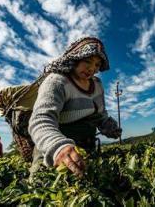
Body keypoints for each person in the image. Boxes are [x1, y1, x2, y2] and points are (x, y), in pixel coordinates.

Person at [28, 37, 122, 179]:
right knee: (43, 189)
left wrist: (107, 125)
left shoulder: (97, 85)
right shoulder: (57, 81)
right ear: (75, 59)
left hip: (86, 148)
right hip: (55, 150)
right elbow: (41, 120)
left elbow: (99, 113)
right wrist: (58, 147)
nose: (92, 68)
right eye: (87, 61)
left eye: (97, 64)